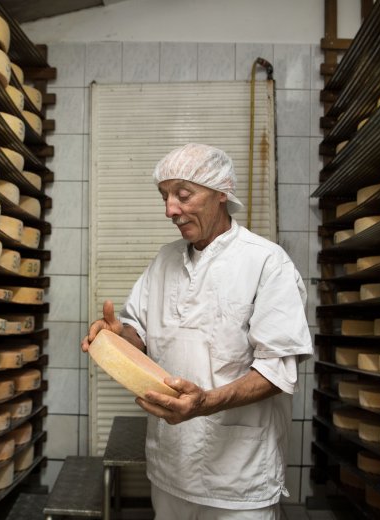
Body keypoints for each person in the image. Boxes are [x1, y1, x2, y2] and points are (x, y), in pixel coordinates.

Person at [81, 143, 313, 519]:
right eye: (165, 196)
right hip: (170, 463)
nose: (170, 209)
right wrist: (117, 337)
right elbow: (141, 332)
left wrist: (206, 402)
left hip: (238, 475)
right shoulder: (165, 259)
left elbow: (277, 370)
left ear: (221, 192)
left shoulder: (265, 262)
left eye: (183, 195)